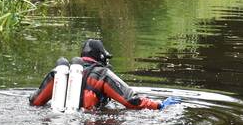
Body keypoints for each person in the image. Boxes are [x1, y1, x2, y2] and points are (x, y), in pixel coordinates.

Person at [29, 39, 182, 111]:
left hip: (58, 124)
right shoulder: (102, 74)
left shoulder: (61, 73)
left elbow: (35, 102)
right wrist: (159, 105)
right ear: (101, 57)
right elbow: (131, 101)